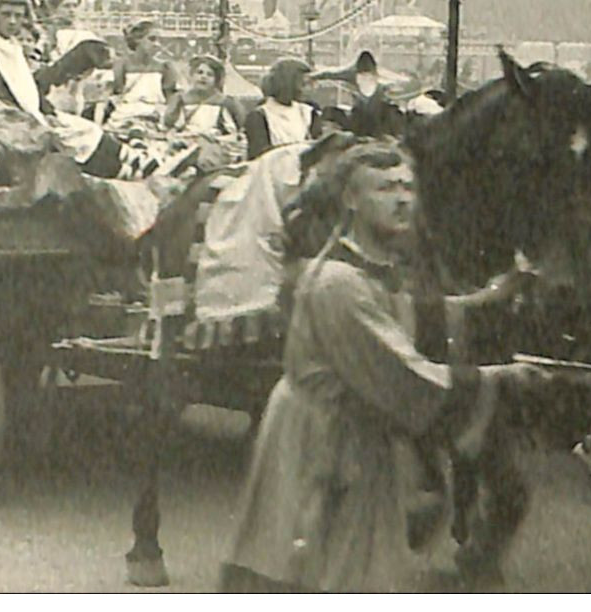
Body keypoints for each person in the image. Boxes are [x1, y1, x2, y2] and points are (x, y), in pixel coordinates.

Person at [222, 141, 542, 592]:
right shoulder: (339, 283)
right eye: (385, 187)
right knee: (323, 570)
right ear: (350, 200)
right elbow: (403, 372)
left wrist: (488, 298)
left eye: (408, 186)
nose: (402, 198)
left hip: (347, 436)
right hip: (323, 445)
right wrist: (501, 379)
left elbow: (409, 316)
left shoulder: (366, 271)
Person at [0, 0, 167, 179]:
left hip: (26, 111)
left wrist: (47, 111)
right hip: (0, 116)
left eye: (18, 16)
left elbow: (26, 88)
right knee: (73, 136)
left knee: (85, 128)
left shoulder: (13, 46)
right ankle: (130, 168)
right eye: (6, 15)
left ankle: (135, 162)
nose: (12, 22)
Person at [243, 57, 319, 159]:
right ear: (287, 83)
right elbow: (258, 156)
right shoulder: (260, 116)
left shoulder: (309, 113)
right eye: (304, 84)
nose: (310, 89)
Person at [109, 20, 179, 129]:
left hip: (155, 114)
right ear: (138, 40)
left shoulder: (165, 67)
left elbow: (171, 97)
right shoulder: (122, 65)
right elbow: (115, 92)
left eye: (159, 40)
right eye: (152, 39)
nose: (157, 44)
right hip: (126, 114)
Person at [164, 53, 242, 137]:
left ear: (216, 80)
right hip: (186, 140)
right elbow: (173, 127)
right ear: (192, 75)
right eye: (200, 72)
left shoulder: (223, 102)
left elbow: (232, 132)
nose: (204, 77)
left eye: (210, 74)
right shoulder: (182, 99)